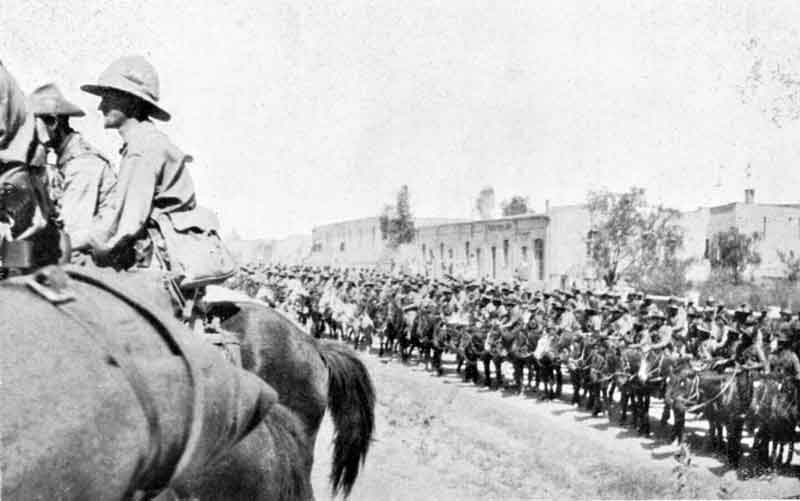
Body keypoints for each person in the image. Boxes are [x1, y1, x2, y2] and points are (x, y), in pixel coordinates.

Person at [80, 55, 196, 270]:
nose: (100, 106)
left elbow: (126, 223)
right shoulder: (146, 142)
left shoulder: (142, 149)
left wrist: (77, 243)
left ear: (131, 102)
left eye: (109, 97)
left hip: (159, 265)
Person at [28, 83, 117, 257]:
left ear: (52, 123)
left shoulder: (82, 166)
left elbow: (71, 236)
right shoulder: (67, 161)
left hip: (99, 257)